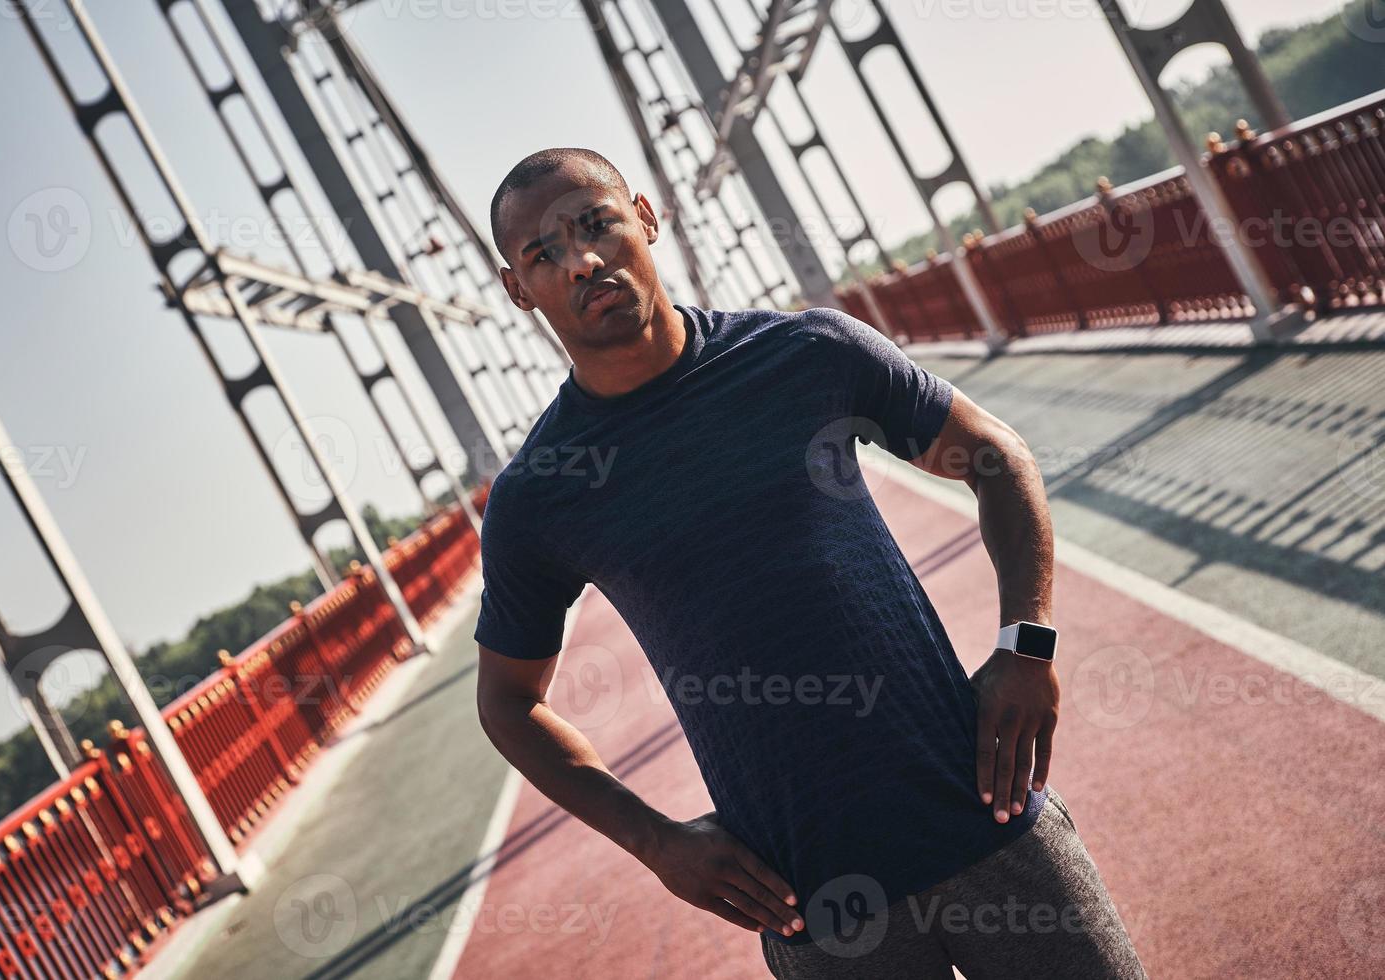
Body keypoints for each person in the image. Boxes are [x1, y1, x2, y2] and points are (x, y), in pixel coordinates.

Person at [472, 146, 1147, 979]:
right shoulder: (540, 493)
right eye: (541, 254)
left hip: (988, 821)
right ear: (518, 289)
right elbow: (508, 702)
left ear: (644, 217)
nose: (581, 260)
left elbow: (997, 459)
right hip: (816, 904)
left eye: (596, 224)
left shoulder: (806, 353)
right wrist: (657, 843)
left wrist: (1028, 646)